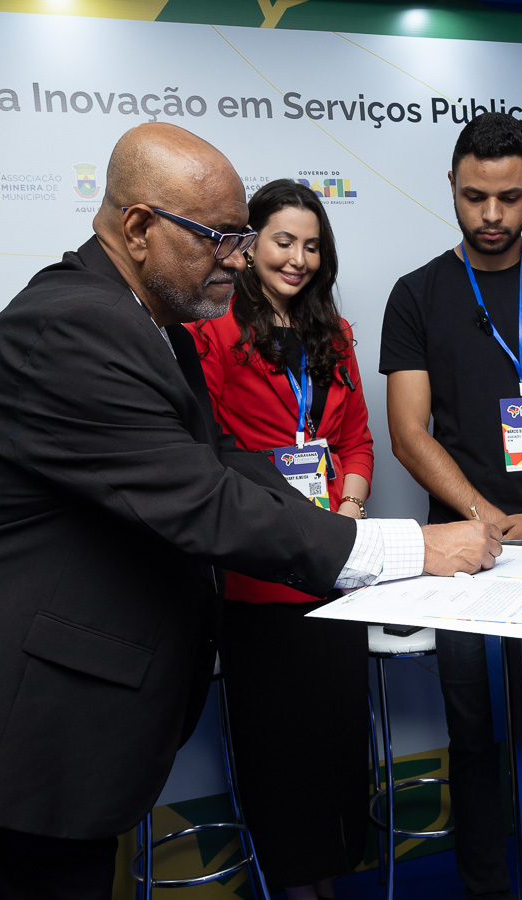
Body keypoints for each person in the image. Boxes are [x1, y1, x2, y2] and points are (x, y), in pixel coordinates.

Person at [0, 122, 501, 900]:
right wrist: (409, 549)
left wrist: (352, 527)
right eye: (220, 239)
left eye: (242, 238)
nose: (238, 260)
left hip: (47, 708)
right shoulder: (77, 325)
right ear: (139, 229)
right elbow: (204, 502)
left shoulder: (146, 323)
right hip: (10, 715)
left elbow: (217, 461)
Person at [380, 112, 522, 900]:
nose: (491, 214)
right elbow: (408, 433)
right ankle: (488, 891)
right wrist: (481, 515)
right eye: (474, 196)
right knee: (475, 738)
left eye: (509, 198)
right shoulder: (416, 295)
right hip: (460, 557)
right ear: (451, 184)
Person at [191, 178, 372, 900]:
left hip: (338, 571)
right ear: (249, 245)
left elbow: (356, 440)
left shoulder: (336, 333)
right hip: (260, 574)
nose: (298, 259)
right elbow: (205, 453)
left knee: (337, 739)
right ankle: (293, 885)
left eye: (312, 245)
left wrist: (350, 505)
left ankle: (332, 877)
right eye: (283, 241)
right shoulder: (211, 333)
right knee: (279, 747)